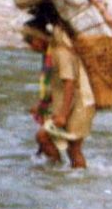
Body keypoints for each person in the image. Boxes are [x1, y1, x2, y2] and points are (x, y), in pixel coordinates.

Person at [23, 20, 95, 169]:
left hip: (80, 104)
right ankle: (59, 174)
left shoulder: (61, 53)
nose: (31, 48)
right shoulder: (50, 54)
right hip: (68, 104)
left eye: (31, 43)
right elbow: (55, 85)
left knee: (71, 147)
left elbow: (70, 83)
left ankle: (59, 173)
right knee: (60, 144)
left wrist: (63, 115)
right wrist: (41, 105)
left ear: (38, 39)